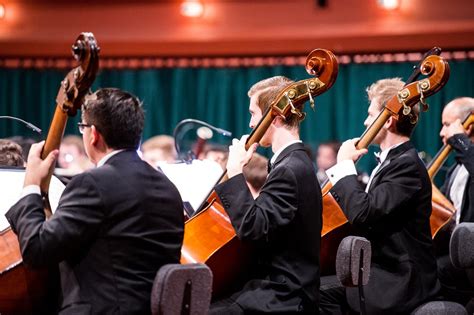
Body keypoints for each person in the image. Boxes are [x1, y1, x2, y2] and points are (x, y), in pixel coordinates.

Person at [5, 88, 184, 314]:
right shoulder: (168, 188)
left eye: (82, 127)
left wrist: (31, 185)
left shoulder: (92, 183)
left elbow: (36, 251)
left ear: (94, 134)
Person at [320, 78, 439, 314]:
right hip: (381, 271)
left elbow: (362, 214)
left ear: (389, 120)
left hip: (399, 281)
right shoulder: (395, 162)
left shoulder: (407, 166)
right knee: (316, 288)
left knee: (314, 296)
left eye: (370, 114)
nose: (365, 122)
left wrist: (344, 165)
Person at [210, 76, 322, 313]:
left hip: (284, 296)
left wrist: (235, 172)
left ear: (277, 117)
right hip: (282, 286)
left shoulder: (289, 169)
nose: (251, 124)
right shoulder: (293, 162)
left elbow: (252, 228)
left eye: (253, 114)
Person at [436, 97, 474, 308]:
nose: (442, 132)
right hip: (453, 252)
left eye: (447, 125)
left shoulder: (468, 158)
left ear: (468, 125)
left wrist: (460, 139)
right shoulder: (455, 168)